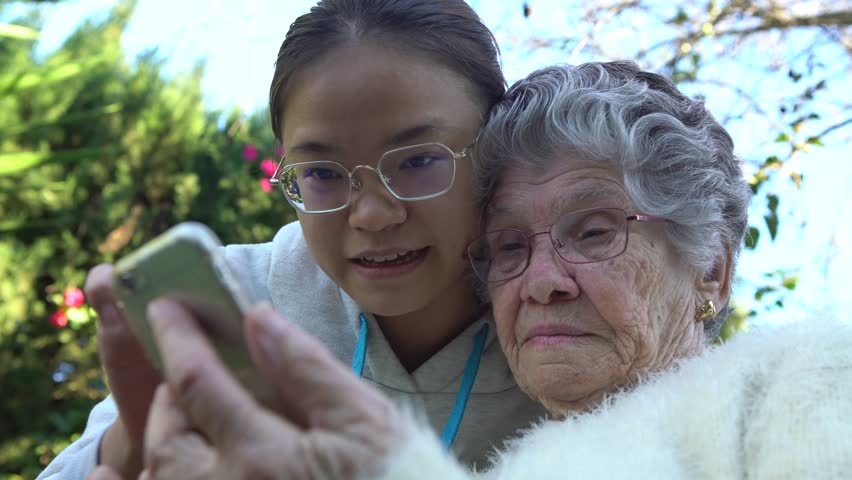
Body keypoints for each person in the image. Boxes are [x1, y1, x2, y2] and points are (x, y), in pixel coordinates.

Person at [105, 61, 851, 480]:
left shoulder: (804, 382)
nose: (542, 281)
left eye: (592, 232)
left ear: (712, 269)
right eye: (510, 249)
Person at [37, 2, 547, 479]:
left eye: (417, 161)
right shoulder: (234, 297)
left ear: (495, 146)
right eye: (322, 172)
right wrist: (140, 435)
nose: (371, 214)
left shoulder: (559, 314)